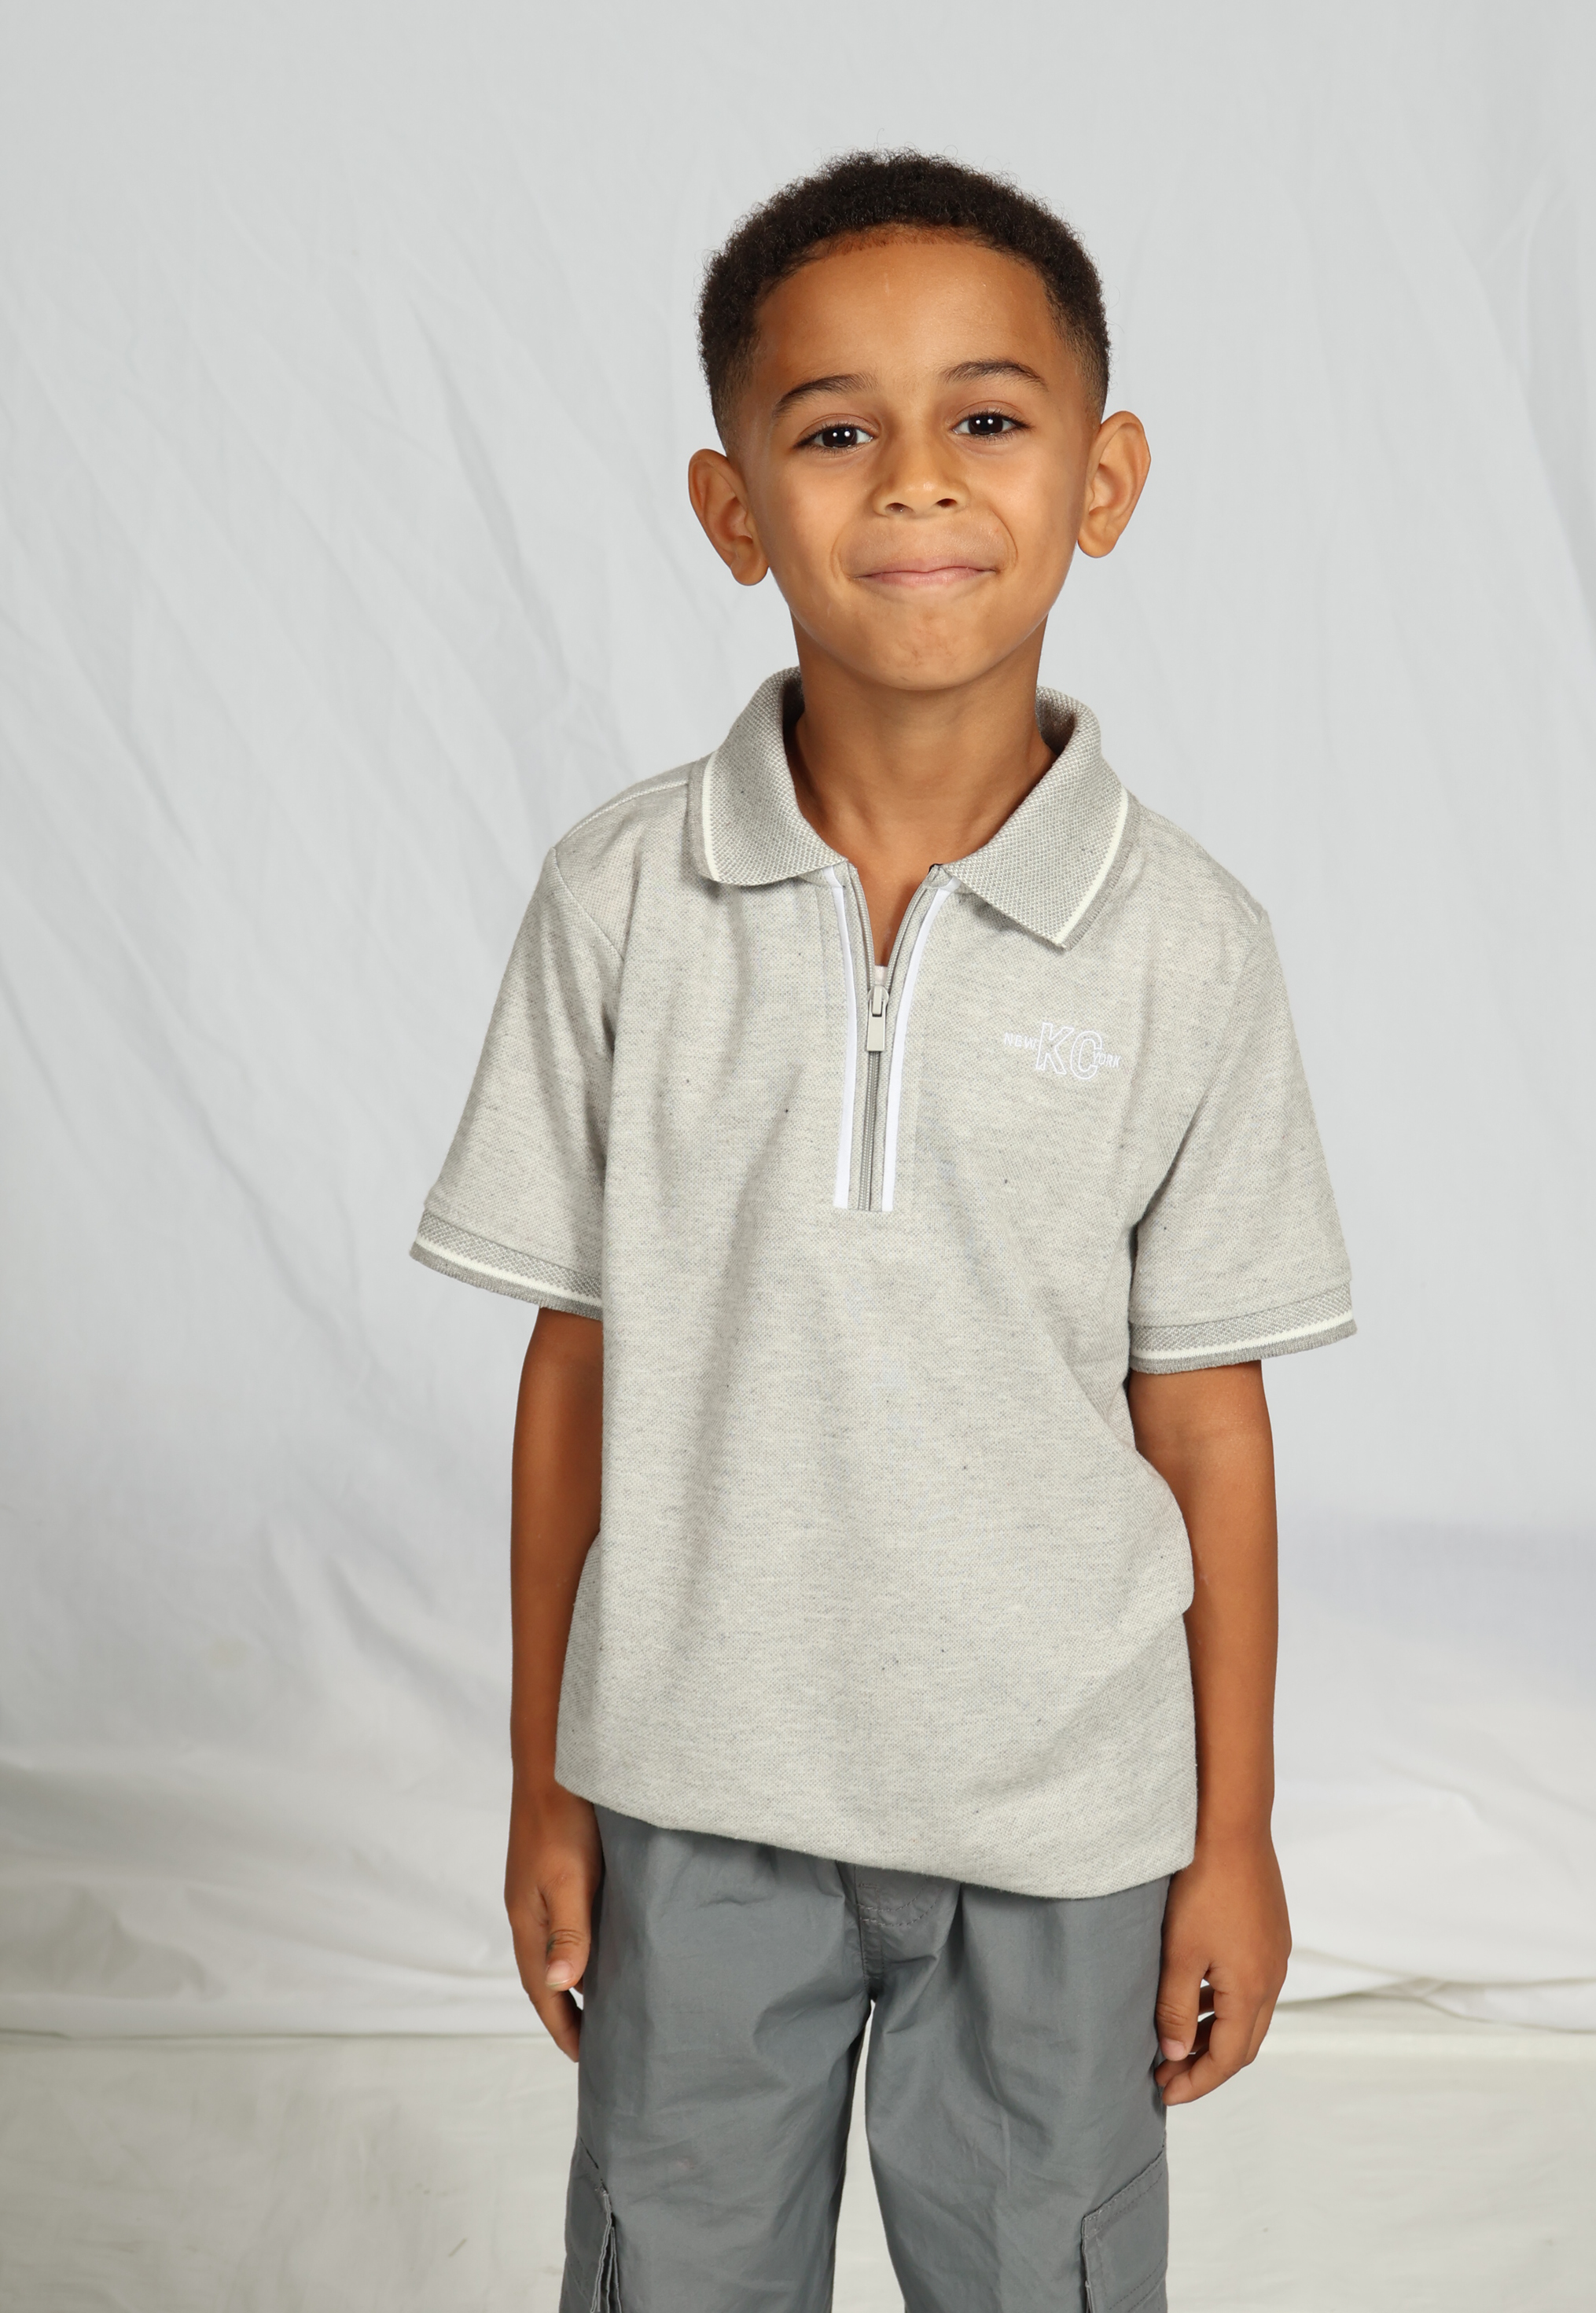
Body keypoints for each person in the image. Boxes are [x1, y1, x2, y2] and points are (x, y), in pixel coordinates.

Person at [411, 150, 1355, 2312]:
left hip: (1065, 1824)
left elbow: (1208, 1423)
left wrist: (1230, 1834)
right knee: (675, 2272)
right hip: (691, 1795)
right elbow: (576, 1370)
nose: (916, 477)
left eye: (986, 418)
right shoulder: (621, 901)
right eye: (835, 428)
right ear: (733, 507)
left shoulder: (1190, 945)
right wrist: (548, 1789)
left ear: (1102, 481)